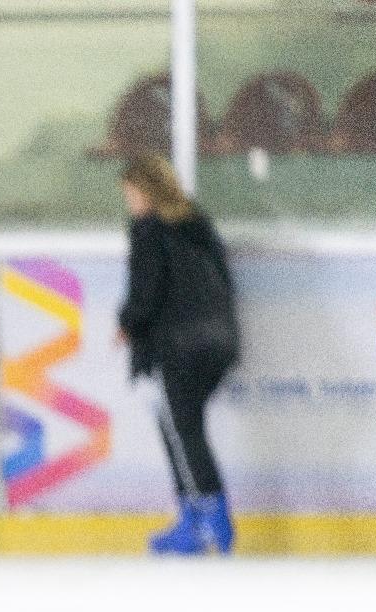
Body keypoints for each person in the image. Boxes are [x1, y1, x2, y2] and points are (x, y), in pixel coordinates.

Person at [115, 152, 241, 555]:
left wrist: (128, 323)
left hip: (180, 343)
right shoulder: (198, 224)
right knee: (184, 426)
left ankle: (208, 518)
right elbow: (224, 281)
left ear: (147, 192)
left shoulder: (149, 229)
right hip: (220, 340)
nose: (130, 202)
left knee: (180, 428)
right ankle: (199, 517)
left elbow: (146, 290)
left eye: (132, 193)